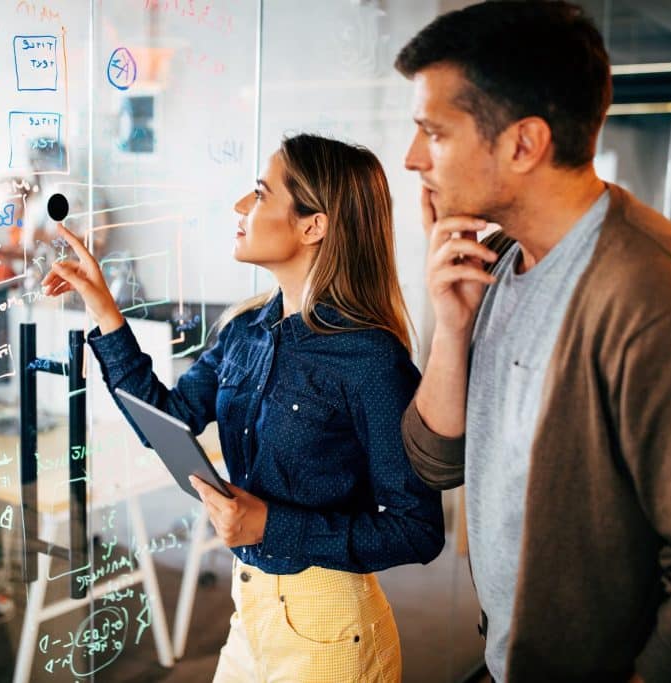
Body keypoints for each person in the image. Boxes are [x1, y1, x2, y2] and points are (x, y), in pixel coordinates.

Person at [395, 3, 671, 682]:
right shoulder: (502, 261)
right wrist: (452, 328)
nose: (412, 158)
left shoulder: (655, 301)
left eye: (434, 132)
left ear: (523, 143)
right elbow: (435, 462)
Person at [42, 133, 444, 681]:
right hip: (249, 610)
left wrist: (271, 525)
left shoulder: (369, 357)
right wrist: (104, 310)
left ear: (313, 225)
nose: (239, 207)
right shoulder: (243, 332)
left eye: (259, 193)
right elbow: (169, 419)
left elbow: (417, 530)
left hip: (329, 628)